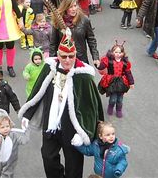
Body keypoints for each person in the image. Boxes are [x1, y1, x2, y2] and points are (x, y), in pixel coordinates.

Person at [18, 33, 104, 178]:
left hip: (71, 126)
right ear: (58, 55)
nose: (67, 60)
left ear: (75, 55)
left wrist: (85, 132)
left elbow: (91, 107)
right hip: (51, 124)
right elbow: (37, 91)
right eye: (64, 56)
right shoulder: (50, 68)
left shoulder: (83, 76)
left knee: (74, 162)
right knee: (48, 157)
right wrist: (27, 114)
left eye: (71, 56)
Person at [50, 0, 100, 67]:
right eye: (71, 7)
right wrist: (52, 60)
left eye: (75, 6)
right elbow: (53, 43)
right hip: (64, 60)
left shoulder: (84, 20)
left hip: (80, 58)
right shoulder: (58, 22)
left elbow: (91, 40)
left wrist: (95, 57)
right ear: (65, 8)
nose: (74, 9)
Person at [97, 43, 135, 118]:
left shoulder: (125, 63)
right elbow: (101, 67)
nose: (118, 54)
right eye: (116, 52)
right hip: (112, 82)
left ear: (123, 53)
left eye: (120, 52)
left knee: (120, 99)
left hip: (122, 82)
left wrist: (131, 83)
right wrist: (98, 64)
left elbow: (128, 73)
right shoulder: (109, 61)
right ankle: (110, 106)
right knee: (113, 99)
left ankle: (118, 109)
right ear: (112, 52)